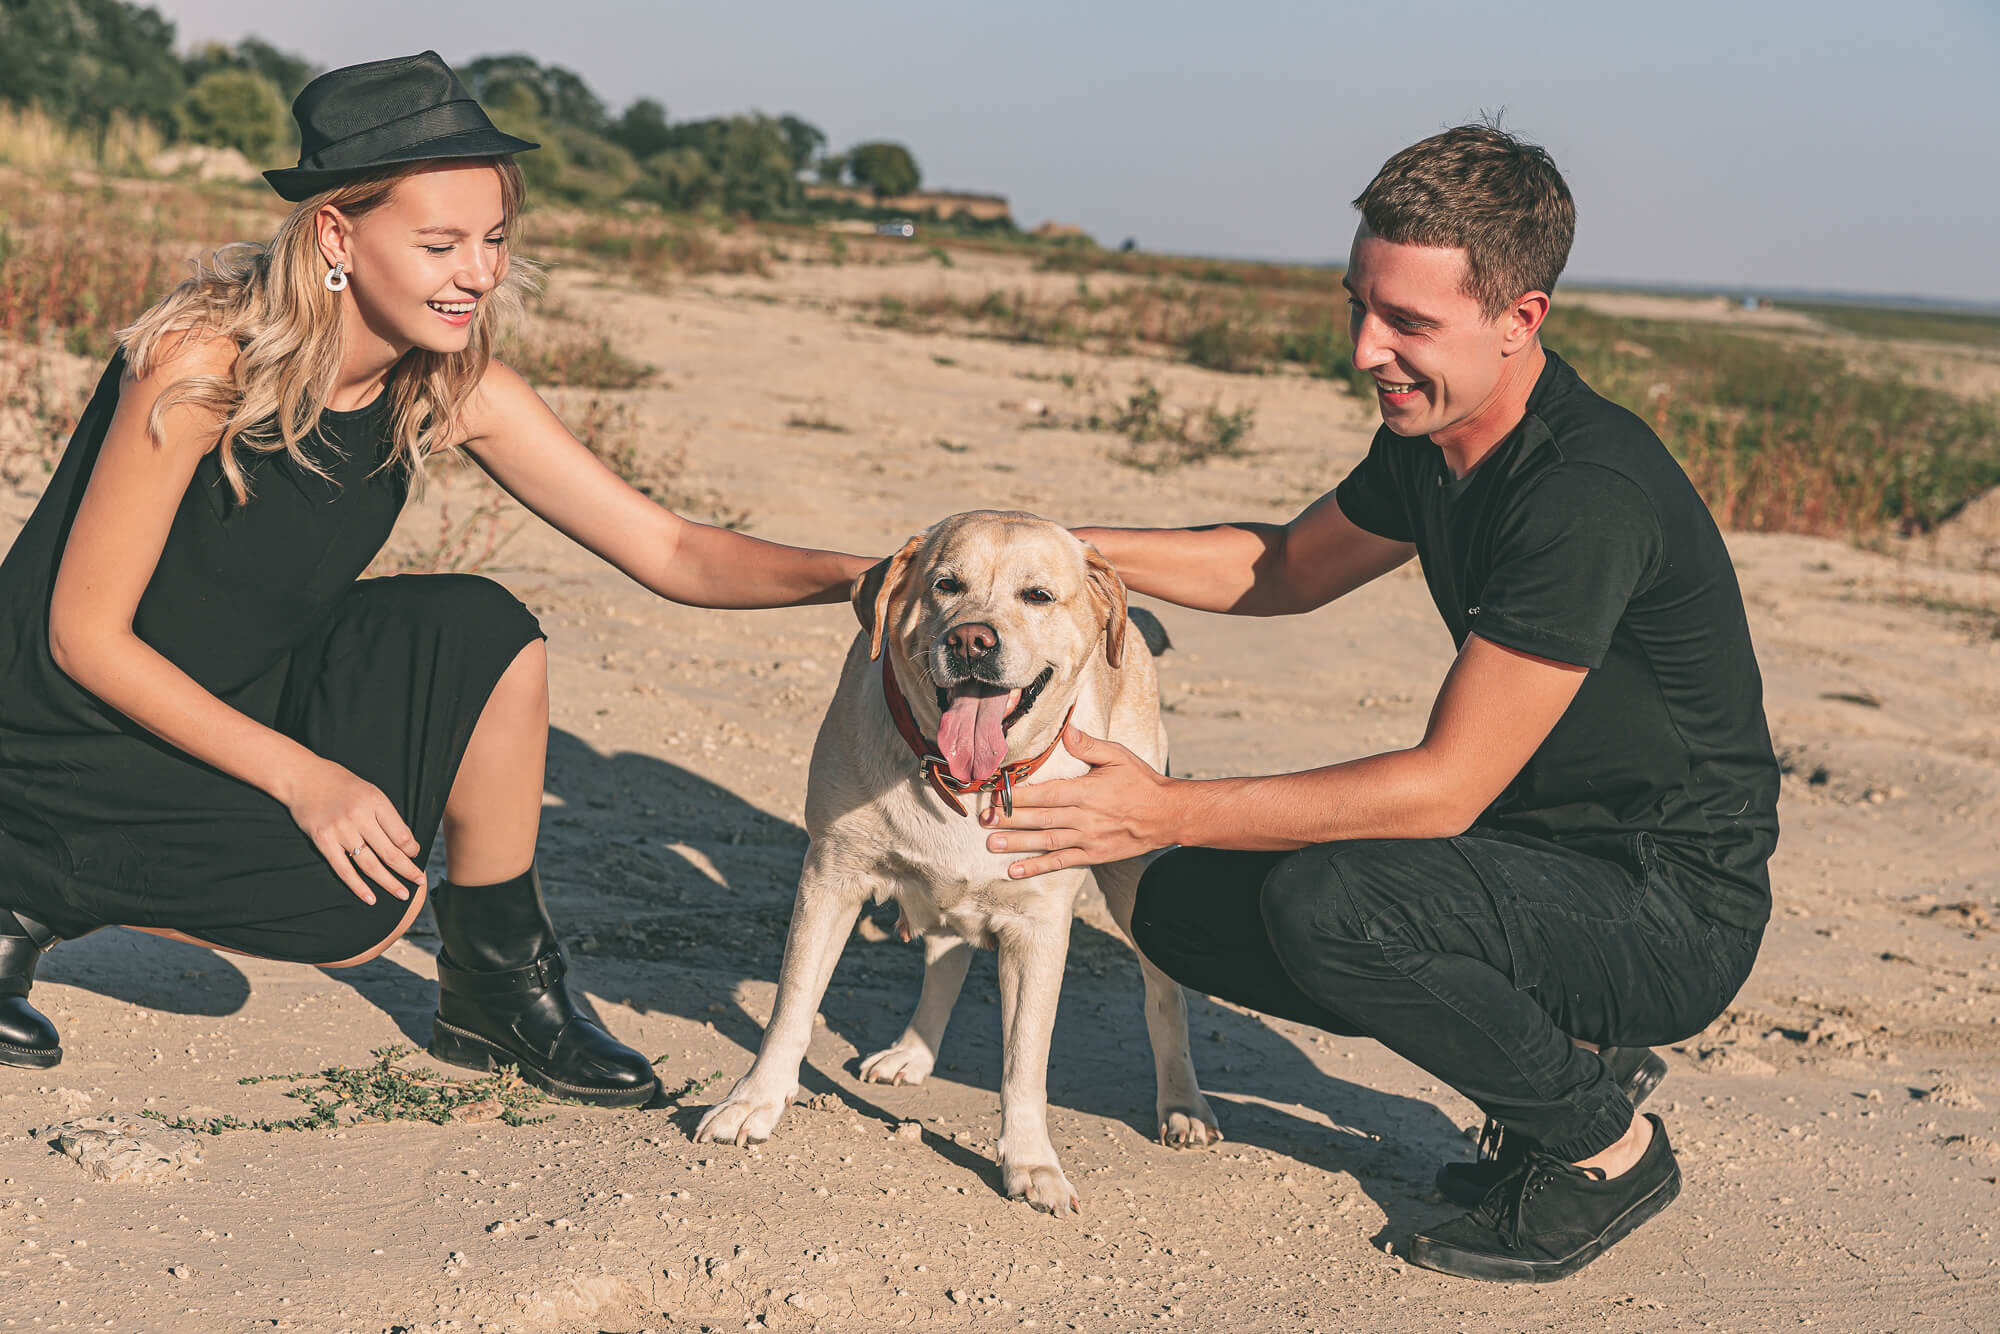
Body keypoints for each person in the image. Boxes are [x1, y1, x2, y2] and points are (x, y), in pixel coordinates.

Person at [979, 124, 1778, 1282]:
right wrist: (1050, 549)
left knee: (1331, 903)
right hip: (1536, 858)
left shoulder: (1581, 491)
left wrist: (1163, 805)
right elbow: (1284, 567)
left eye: (1406, 322)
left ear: (1518, 319)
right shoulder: (1434, 436)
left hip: (1668, 904)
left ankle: (1603, 1146)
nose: (1365, 349)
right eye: (1357, 305)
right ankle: (1571, 1061)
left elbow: (1440, 788)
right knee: (1179, 909)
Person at [0, 52, 869, 1107]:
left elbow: (674, 551)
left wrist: (872, 577)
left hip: (233, 690)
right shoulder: (201, 363)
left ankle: (498, 984)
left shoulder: (450, 386)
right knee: (351, 897)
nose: (480, 273)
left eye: (494, 239)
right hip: (57, 723)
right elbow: (83, 638)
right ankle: (18, 881)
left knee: (482, 629)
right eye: (441, 244)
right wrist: (304, 777)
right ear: (336, 236)